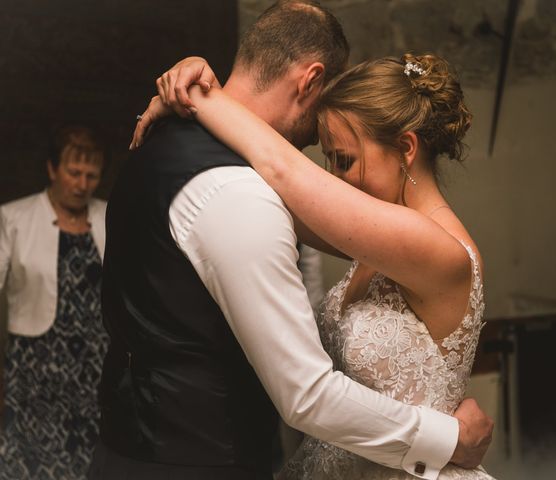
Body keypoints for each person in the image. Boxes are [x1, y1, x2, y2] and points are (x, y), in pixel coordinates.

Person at [92, 2, 492, 480]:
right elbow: (281, 178)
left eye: (343, 160)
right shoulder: (367, 236)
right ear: (308, 80)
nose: (332, 181)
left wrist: (204, 97)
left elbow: (282, 169)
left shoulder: (435, 249)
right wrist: (199, 94)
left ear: (406, 149)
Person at [0, 125, 108, 480]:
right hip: (36, 371)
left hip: (97, 371)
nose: (82, 184)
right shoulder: (13, 219)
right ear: (52, 169)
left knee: (93, 463)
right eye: (74, 173)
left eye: (91, 176)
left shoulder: (109, 217)